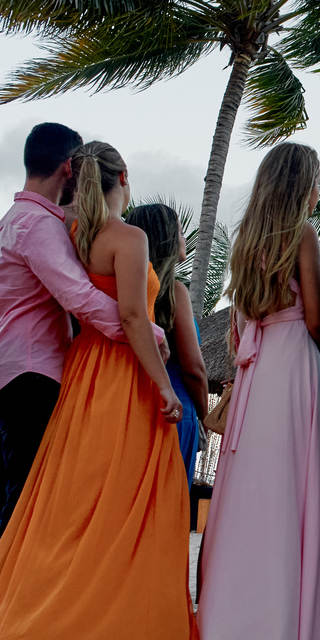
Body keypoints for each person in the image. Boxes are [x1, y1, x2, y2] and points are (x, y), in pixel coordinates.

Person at [0, 141, 193, 640]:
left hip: (74, 374)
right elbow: (121, 314)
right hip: (105, 375)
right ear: (122, 176)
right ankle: (63, 628)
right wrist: (163, 375)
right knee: (109, 507)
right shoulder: (118, 237)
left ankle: (5, 620)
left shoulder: (64, 234)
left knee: (50, 507)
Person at [0, 123, 167, 589]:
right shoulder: (39, 226)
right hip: (31, 374)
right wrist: (149, 332)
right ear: (67, 168)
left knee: (2, 500)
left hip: (1, 374)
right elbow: (79, 297)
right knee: (22, 502)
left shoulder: (10, 222)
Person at [184, 143, 320, 640]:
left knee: (254, 493)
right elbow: (314, 315)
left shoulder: (247, 238)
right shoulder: (301, 233)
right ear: (303, 183)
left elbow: (239, 322)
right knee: (297, 491)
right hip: (293, 364)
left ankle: (237, 631)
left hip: (258, 373)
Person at [125, 204, 209, 488]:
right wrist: (205, 418)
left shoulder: (126, 289)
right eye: (181, 232)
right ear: (167, 238)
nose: (185, 239)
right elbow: (194, 370)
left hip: (133, 407)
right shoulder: (175, 292)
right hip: (176, 411)